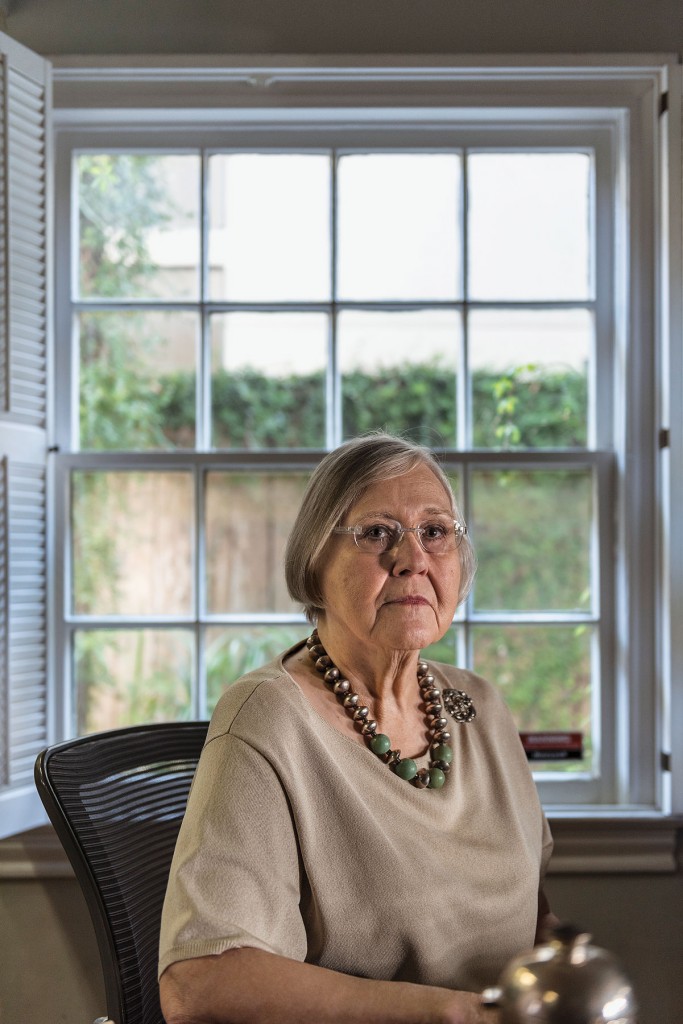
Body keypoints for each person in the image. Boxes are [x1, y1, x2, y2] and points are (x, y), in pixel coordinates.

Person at [159, 433, 556, 1024]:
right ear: (314, 565)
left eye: (435, 531)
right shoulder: (268, 720)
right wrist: (445, 1014)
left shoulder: (478, 706)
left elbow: (534, 906)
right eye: (376, 533)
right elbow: (201, 985)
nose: (413, 558)